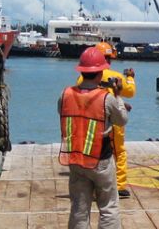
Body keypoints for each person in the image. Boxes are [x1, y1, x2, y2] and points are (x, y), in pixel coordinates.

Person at [59, 47, 128, 228]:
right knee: (108, 206)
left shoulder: (65, 94)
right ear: (100, 74)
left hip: (76, 158)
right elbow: (122, 120)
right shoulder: (106, 98)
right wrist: (118, 96)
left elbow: (63, 111)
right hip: (101, 160)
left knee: (79, 208)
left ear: (81, 71)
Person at [77, 42, 136, 198]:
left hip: (95, 120)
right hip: (114, 121)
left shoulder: (83, 78)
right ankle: (120, 185)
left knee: (94, 150)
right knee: (119, 152)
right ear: (109, 58)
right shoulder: (116, 76)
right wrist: (130, 77)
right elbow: (130, 92)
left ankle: (95, 185)